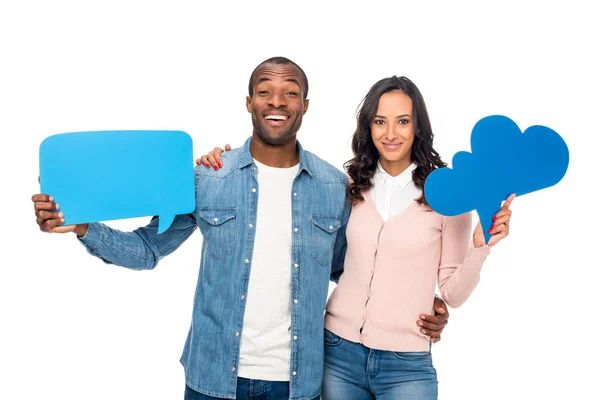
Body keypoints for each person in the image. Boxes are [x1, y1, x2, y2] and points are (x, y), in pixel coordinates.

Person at [31, 58, 450, 400]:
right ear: (248, 103)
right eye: (265, 90)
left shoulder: (332, 187)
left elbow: (353, 268)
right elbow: (146, 251)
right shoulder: (209, 177)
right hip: (213, 380)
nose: (277, 101)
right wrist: (84, 227)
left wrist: (424, 303)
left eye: (291, 92)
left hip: (299, 383)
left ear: (305, 105)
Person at [198, 75, 514, 399]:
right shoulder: (346, 185)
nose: (390, 134)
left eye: (402, 121)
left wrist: (480, 246)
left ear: (418, 127)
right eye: (380, 121)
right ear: (369, 127)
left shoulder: (448, 194)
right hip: (337, 355)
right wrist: (225, 162)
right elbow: (325, 258)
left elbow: (453, 293)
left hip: (407, 364)